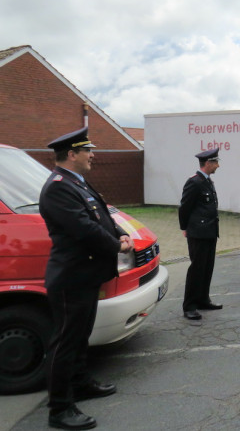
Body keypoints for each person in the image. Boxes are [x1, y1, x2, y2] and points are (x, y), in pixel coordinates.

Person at [39, 127, 133, 430]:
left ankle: (80, 383)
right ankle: (59, 408)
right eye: (87, 150)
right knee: (65, 342)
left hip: (85, 275)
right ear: (71, 154)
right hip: (71, 278)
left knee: (80, 337)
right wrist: (116, 245)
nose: (92, 155)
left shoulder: (76, 182)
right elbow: (83, 228)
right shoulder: (57, 187)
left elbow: (101, 216)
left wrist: (121, 233)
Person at [179, 148, 222, 320]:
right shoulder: (194, 182)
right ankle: (189, 306)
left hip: (210, 231)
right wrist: (185, 228)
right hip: (198, 232)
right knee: (197, 269)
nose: (218, 166)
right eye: (216, 162)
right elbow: (184, 207)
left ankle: (203, 299)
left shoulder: (208, 181)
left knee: (207, 268)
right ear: (208, 163)